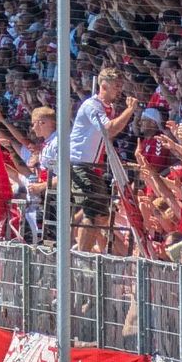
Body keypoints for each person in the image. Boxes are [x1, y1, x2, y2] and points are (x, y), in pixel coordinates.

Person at [68, 67, 138, 253]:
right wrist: (130, 110)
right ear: (104, 85)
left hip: (94, 166)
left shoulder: (109, 108)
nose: (119, 90)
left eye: (121, 86)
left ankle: (84, 249)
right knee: (92, 212)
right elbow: (109, 130)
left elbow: (105, 138)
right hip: (81, 164)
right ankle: (81, 255)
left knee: (101, 214)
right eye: (116, 86)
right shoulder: (93, 106)